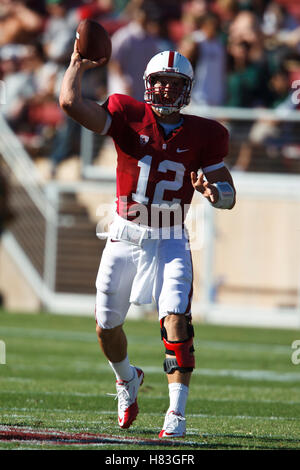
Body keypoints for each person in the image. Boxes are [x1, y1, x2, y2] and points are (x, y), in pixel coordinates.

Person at [59, 42, 236, 438]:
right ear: (147, 84)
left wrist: (215, 193)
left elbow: (229, 195)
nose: (167, 91)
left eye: (175, 84)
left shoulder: (207, 134)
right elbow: (71, 104)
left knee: (176, 321)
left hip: (171, 236)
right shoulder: (126, 114)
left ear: (187, 89)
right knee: (106, 326)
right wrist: (76, 64)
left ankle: (176, 415)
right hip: (124, 234)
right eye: (160, 82)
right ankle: (126, 380)